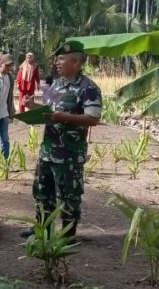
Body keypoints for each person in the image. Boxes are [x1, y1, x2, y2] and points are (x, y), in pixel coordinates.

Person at [27, 40, 102, 238]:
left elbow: (93, 118)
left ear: (76, 62)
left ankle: (68, 235)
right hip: (48, 150)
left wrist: (65, 117)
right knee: (42, 191)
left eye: (61, 59)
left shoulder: (88, 88)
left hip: (69, 154)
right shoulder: (56, 84)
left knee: (69, 195)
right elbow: (50, 112)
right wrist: (33, 107)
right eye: (57, 59)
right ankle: (42, 230)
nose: (57, 62)